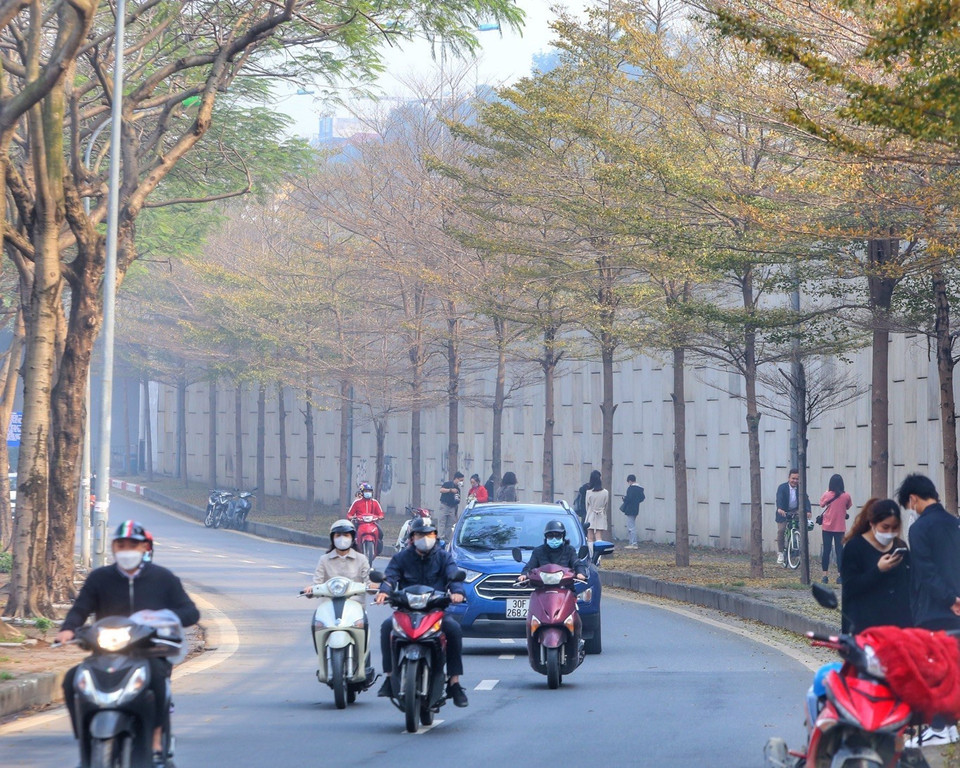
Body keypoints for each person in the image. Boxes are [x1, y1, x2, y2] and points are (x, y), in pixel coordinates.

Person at [56, 521, 199, 768]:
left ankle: (156, 741)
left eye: (133, 545)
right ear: (113, 548)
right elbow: (80, 608)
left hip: (150, 651)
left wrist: (164, 620)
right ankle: (85, 738)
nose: (126, 550)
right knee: (71, 679)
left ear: (144, 547)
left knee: (158, 681)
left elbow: (190, 612)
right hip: (104, 651)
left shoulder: (163, 578)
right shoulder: (100, 578)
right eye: (121, 545)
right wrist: (68, 629)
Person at [374, 517, 469, 707]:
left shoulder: (444, 557)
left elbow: (453, 577)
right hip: (406, 610)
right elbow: (390, 577)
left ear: (435, 536)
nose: (425, 538)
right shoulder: (402, 558)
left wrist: (457, 592)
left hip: (435, 610)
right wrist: (384, 591)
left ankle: (454, 682)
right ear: (412, 538)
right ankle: (390, 677)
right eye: (420, 535)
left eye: (429, 534)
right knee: (386, 627)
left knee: (454, 630)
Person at [302, 519, 373, 678]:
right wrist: (310, 589)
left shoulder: (361, 559)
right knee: (316, 624)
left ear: (352, 537)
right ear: (332, 538)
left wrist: (374, 585)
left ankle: (363, 663)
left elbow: (368, 582)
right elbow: (317, 582)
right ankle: (323, 660)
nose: (342, 538)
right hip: (329, 607)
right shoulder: (324, 559)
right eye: (338, 535)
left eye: (346, 535)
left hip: (355, 607)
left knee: (365, 627)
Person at [896, 473, 960, 631]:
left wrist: (950, 600)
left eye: (910, 507)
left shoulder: (919, 529)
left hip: (932, 611)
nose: (913, 511)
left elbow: (926, 571)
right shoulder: (955, 524)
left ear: (913, 499)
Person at [839, 499, 912, 634]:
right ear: (872, 523)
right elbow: (850, 587)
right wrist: (878, 570)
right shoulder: (855, 547)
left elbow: (908, 585)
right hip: (864, 626)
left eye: (895, 528)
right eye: (885, 527)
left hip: (897, 627)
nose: (890, 532)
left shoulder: (900, 546)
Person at [518, 520, 588, 581]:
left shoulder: (570, 550)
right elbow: (530, 566)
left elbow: (577, 563)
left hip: (565, 586)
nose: (554, 538)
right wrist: (524, 574)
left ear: (563, 536)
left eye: (557, 535)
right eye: (550, 536)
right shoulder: (538, 551)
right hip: (543, 587)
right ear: (546, 537)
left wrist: (580, 573)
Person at [819, 473, 851, 584]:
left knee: (826, 551)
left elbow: (821, 504)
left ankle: (825, 576)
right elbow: (848, 506)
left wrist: (827, 492)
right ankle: (840, 576)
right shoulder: (846, 496)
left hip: (827, 527)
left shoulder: (827, 495)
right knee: (840, 552)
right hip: (840, 528)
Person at [775, 468, 811, 565]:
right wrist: (780, 508)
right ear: (789, 478)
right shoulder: (782, 487)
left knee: (803, 529)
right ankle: (781, 553)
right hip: (784, 511)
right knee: (781, 530)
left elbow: (806, 500)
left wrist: (808, 511)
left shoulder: (801, 488)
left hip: (796, 511)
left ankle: (802, 552)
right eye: (793, 478)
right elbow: (779, 498)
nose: (795, 481)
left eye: (797, 479)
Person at [584, 469, 609, 559]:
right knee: (599, 536)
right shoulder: (605, 492)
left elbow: (587, 505)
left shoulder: (588, 492)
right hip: (601, 515)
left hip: (591, 515)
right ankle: (598, 558)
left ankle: (591, 556)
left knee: (590, 537)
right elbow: (606, 505)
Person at [620, 474, 645, 549]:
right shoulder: (640, 488)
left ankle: (633, 543)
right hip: (636, 508)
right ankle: (632, 543)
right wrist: (636, 501)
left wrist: (624, 498)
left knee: (631, 527)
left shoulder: (630, 489)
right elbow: (642, 498)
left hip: (630, 509)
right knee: (632, 525)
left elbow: (628, 499)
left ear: (630, 481)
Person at [438, 471, 464, 540]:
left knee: (449, 525)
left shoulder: (458, 489)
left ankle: (447, 539)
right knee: (442, 523)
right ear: (456, 478)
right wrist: (450, 490)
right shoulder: (448, 484)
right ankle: (441, 538)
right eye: (460, 480)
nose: (461, 482)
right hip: (444, 506)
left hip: (452, 507)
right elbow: (441, 490)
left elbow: (457, 500)